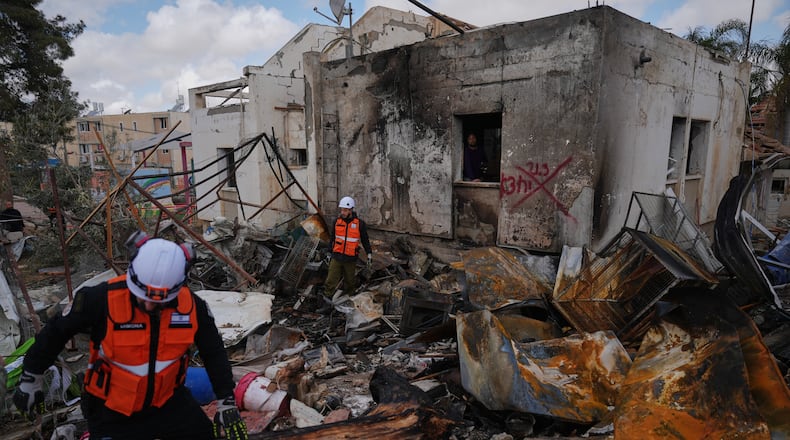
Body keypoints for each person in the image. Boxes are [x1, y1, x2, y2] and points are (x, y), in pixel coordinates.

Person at [13, 232, 248, 440]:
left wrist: (226, 400)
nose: (148, 304)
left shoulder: (192, 307)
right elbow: (55, 333)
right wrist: (30, 378)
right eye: (142, 295)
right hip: (111, 409)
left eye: (158, 301)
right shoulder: (99, 299)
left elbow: (213, 351)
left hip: (168, 402)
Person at [324, 196, 373, 300]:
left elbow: (365, 240)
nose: (343, 212)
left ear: (351, 210)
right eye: (342, 210)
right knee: (330, 280)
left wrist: (369, 254)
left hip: (350, 258)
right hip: (336, 256)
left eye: (345, 210)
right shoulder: (336, 222)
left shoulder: (360, 224)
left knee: (350, 282)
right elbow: (332, 238)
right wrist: (329, 252)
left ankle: (349, 300)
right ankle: (327, 299)